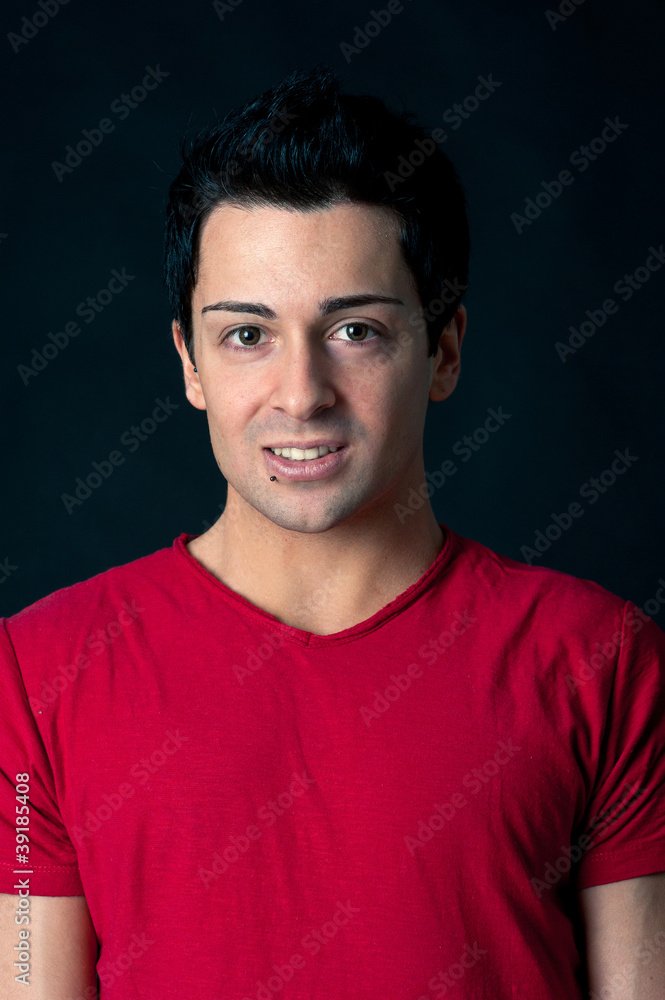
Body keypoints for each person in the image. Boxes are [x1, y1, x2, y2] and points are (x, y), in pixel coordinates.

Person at [1, 64, 664, 1000]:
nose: (301, 393)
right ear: (189, 362)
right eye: (246, 335)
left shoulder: (602, 663)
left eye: (354, 330)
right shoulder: (36, 675)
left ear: (442, 352)